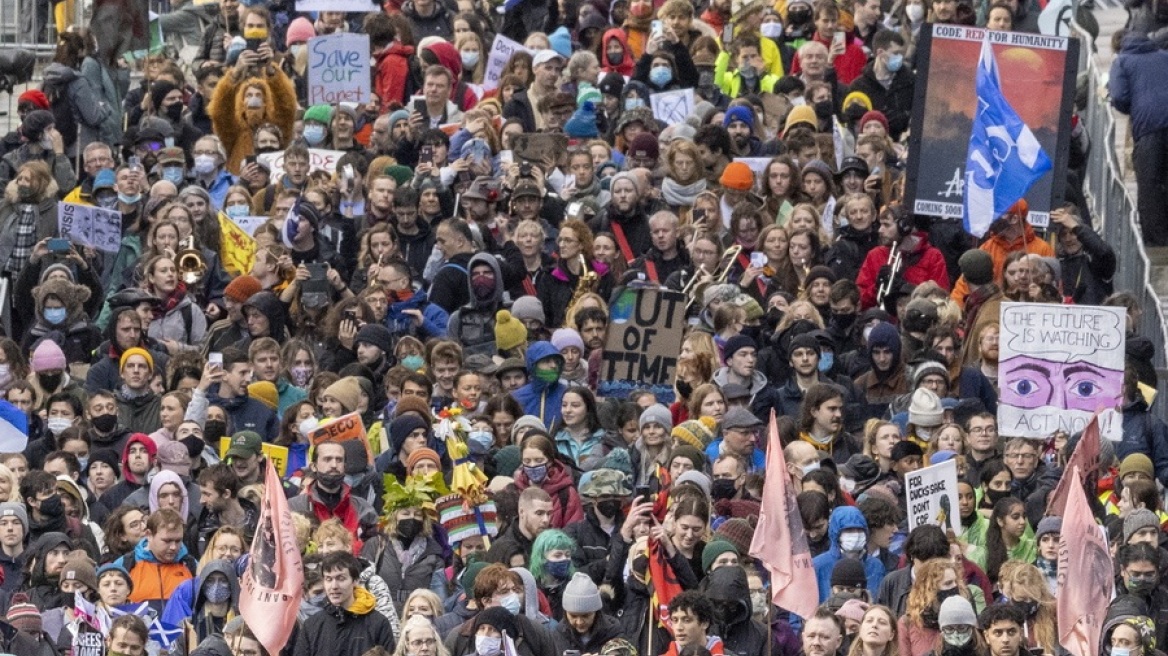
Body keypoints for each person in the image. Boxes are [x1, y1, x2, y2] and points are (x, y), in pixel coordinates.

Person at [293, 550, 397, 656]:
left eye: (341, 578)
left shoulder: (378, 624)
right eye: (328, 579)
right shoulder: (312, 626)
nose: (334, 586)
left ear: (355, 581)